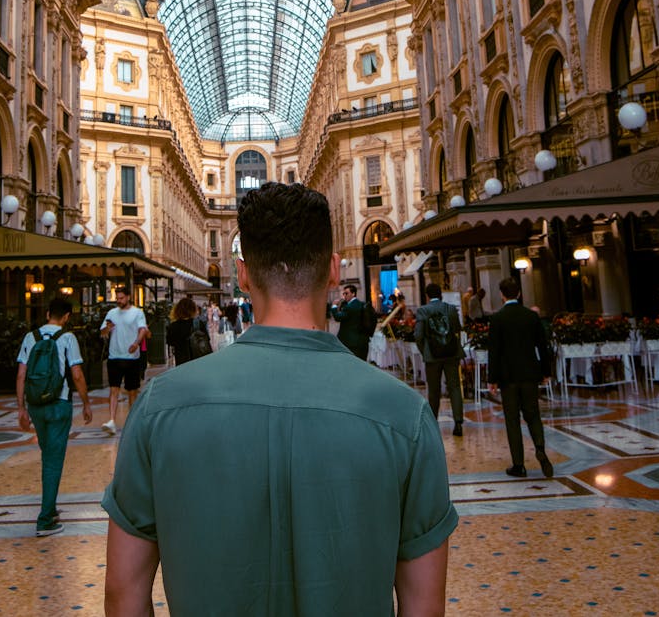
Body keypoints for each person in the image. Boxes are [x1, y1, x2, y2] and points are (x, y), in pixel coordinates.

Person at [102, 182, 456, 617]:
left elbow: (123, 597)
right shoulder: (406, 416)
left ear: (243, 273)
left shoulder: (158, 408)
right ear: (332, 269)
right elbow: (424, 607)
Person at [16, 296, 92, 536]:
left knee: (48, 455)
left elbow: (21, 375)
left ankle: (50, 506)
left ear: (48, 313)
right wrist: (86, 403)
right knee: (53, 460)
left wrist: (21, 408)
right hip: (59, 404)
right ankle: (45, 519)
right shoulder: (67, 338)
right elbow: (77, 374)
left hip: (36, 405)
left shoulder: (31, 337)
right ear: (67, 317)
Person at [487, 277, 553, 479]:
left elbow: (494, 351)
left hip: (508, 377)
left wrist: (493, 379)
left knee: (512, 419)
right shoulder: (531, 317)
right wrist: (546, 372)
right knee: (533, 414)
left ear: (502, 294)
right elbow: (543, 346)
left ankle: (519, 464)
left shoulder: (497, 319)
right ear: (519, 294)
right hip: (530, 373)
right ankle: (540, 448)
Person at [415, 283, 465, 436]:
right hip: (451, 353)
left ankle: (433, 422)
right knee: (455, 387)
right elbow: (457, 328)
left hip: (433, 356)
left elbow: (418, 335)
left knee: (434, 389)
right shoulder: (450, 309)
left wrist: (425, 352)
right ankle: (458, 422)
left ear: (427, 295)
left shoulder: (423, 311)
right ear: (441, 294)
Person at [100, 288, 148, 435]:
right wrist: (107, 328)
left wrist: (136, 343)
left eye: (121, 298)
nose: (119, 300)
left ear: (128, 297)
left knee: (132, 391)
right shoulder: (111, 314)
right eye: (117, 298)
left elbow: (143, 330)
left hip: (132, 358)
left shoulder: (137, 313)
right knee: (114, 389)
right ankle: (112, 420)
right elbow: (102, 333)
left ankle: (131, 421)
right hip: (114, 357)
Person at [330, 283, 370, 360]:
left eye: (346, 293)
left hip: (350, 341)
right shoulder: (359, 303)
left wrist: (334, 306)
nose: (344, 295)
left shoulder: (350, 306)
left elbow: (338, 317)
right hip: (359, 340)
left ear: (353, 293)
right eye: (344, 293)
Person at [166, 297, 202, 365]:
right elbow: (206, 339)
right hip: (198, 359)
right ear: (193, 309)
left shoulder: (173, 326)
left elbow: (169, 342)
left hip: (181, 359)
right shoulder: (198, 323)